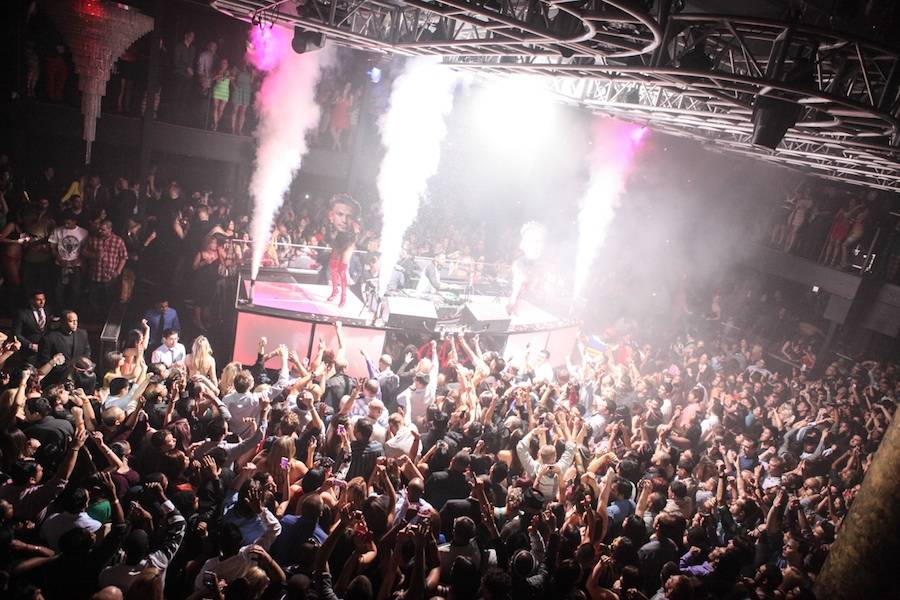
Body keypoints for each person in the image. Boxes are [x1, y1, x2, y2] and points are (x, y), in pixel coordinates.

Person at [82, 219, 128, 317]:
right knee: (93, 298)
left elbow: (123, 257)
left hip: (109, 276)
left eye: (103, 229)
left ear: (110, 229)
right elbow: (84, 252)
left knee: (108, 298)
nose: (100, 231)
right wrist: (94, 255)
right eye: (99, 229)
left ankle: (106, 317)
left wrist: (118, 271)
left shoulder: (118, 240)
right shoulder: (92, 239)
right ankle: (95, 317)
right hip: (95, 275)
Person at [47, 212, 88, 309]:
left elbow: (85, 249)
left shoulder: (83, 232)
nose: (66, 225)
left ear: (75, 221)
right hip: (60, 264)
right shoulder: (57, 231)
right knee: (58, 289)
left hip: (76, 266)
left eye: (68, 223)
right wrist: (59, 258)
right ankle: (59, 309)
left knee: (75, 289)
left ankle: (72, 309)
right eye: (65, 223)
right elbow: (52, 247)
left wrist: (78, 259)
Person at [37, 309, 91, 384]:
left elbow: (87, 352)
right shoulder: (49, 338)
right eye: (71, 321)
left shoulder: (82, 334)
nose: (75, 323)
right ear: (63, 322)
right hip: (57, 379)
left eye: (76, 321)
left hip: (79, 377)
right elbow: (44, 361)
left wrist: (83, 365)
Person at [14, 290, 49, 358]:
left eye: (43, 299)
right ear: (31, 301)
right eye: (38, 300)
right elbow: (16, 334)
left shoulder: (48, 310)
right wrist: (30, 345)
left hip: (46, 350)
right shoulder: (22, 313)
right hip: (29, 351)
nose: (42, 302)